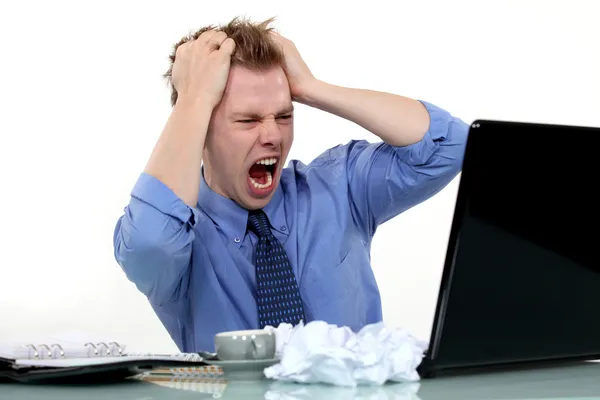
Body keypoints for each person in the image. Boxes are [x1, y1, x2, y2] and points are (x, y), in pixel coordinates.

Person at [113, 17, 469, 353]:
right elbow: (148, 244)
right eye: (247, 120)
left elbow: (450, 146)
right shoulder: (181, 238)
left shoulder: (339, 187)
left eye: (284, 116)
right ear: (199, 129)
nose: (272, 135)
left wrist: (312, 88)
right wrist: (194, 99)